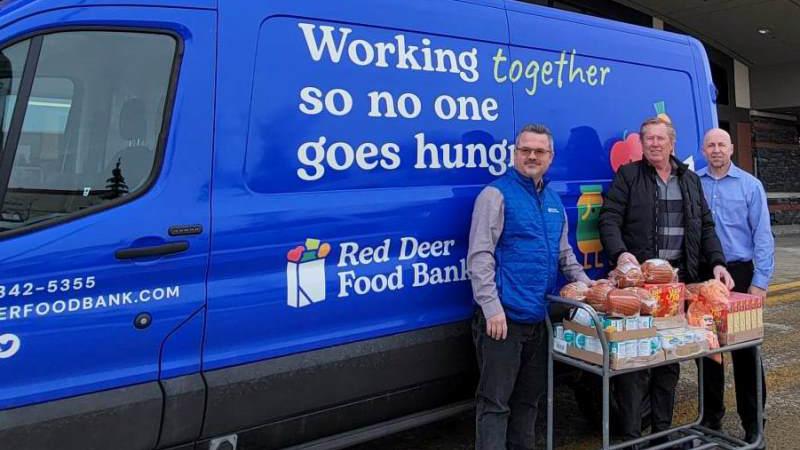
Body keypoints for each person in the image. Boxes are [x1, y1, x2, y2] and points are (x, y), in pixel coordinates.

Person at [598, 117, 734, 447]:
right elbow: (609, 218)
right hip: (639, 288)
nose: (655, 144)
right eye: (649, 139)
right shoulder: (629, 176)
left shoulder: (689, 180)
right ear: (642, 144)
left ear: (672, 143)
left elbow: (705, 227)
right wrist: (620, 254)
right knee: (634, 364)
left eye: (661, 138)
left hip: (676, 287)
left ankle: (661, 433)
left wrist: (717, 262)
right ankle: (632, 439)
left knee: (668, 361)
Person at [467, 123, 592, 450]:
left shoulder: (552, 200)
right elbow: (480, 256)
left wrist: (587, 285)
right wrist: (491, 308)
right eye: (525, 150)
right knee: (495, 404)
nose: (532, 156)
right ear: (515, 154)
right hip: (503, 320)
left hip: (539, 318)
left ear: (550, 156)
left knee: (528, 402)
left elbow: (564, 254)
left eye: (539, 151)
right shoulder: (495, 195)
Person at [697, 128, 773, 449]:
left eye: (721, 145)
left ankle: (753, 424)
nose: (716, 150)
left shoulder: (750, 186)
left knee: (745, 352)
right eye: (710, 145)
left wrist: (760, 282)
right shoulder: (694, 183)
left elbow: (763, 236)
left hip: (740, 275)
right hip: (704, 276)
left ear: (731, 149)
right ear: (703, 150)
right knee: (707, 352)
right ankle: (710, 420)